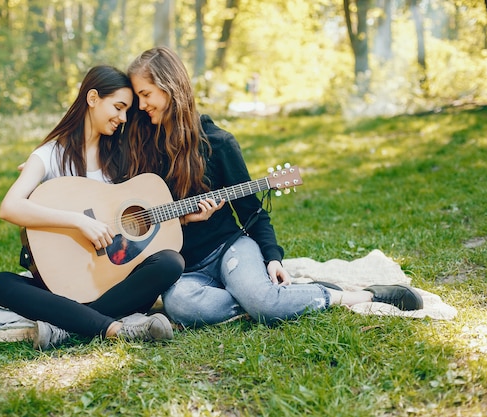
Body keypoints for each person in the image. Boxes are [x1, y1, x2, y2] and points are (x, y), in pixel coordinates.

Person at [124, 46, 423, 328]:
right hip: (186, 268)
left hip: (229, 249)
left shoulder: (218, 143)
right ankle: (272, 300)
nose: (141, 104)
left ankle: (360, 295)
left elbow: (252, 211)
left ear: (171, 87)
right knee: (181, 306)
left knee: (261, 301)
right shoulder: (143, 148)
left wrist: (272, 257)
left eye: (146, 94)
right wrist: (185, 218)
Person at [0, 65, 184, 349]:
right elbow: (9, 208)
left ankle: (66, 327)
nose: (123, 118)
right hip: (63, 281)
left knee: (170, 262)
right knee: (1, 283)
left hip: (112, 281)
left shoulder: (120, 157)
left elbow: (144, 207)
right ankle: (113, 327)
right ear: (92, 98)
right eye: (118, 107)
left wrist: (190, 213)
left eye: (127, 110)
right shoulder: (50, 154)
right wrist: (79, 221)